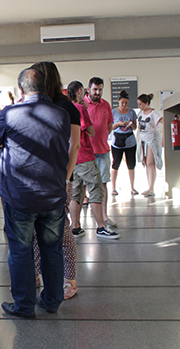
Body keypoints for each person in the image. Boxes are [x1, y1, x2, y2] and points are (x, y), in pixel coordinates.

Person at [0, 67, 71, 318]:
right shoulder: (62, 114)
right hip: (53, 196)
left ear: (21, 90)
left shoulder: (11, 113)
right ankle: (52, 301)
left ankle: (24, 305)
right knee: (52, 249)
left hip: (20, 196)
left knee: (21, 251)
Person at [30, 61, 81, 300]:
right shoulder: (42, 104)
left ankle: (70, 279)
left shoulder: (66, 107)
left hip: (59, 179)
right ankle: (39, 274)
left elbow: (75, 145)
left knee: (62, 230)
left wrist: (67, 176)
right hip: (39, 178)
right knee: (37, 229)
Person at [68, 80, 120, 240]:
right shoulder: (81, 108)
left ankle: (75, 227)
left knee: (75, 193)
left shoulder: (65, 109)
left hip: (73, 159)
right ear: (80, 91)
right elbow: (90, 131)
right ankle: (101, 227)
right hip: (85, 156)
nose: (97, 92)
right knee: (96, 190)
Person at [84, 77, 116, 227]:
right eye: (95, 89)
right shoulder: (81, 105)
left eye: (100, 89)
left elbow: (109, 126)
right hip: (86, 153)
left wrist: (102, 138)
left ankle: (104, 216)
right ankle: (77, 223)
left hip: (103, 151)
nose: (98, 92)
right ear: (88, 89)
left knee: (103, 184)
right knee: (83, 185)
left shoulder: (106, 105)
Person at [110, 90, 138, 195]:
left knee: (131, 164)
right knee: (115, 164)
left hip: (130, 141)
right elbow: (110, 127)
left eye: (126, 103)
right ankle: (113, 188)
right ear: (118, 101)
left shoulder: (132, 112)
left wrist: (130, 124)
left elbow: (135, 127)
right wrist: (118, 124)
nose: (124, 105)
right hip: (117, 141)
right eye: (122, 103)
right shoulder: (113, 112)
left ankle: (132, 187)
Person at [135, 93, 163, 197]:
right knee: (146, 163)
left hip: (152, 138)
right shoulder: (140, 113)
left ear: (147, 103)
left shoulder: (154, 113)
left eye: (141, 104)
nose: (139, 106)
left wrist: (163, 138)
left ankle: (152, 187)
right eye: (138, 104)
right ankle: (149, 186)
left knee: (151, 163)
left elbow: (163, 121)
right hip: (143, 138)